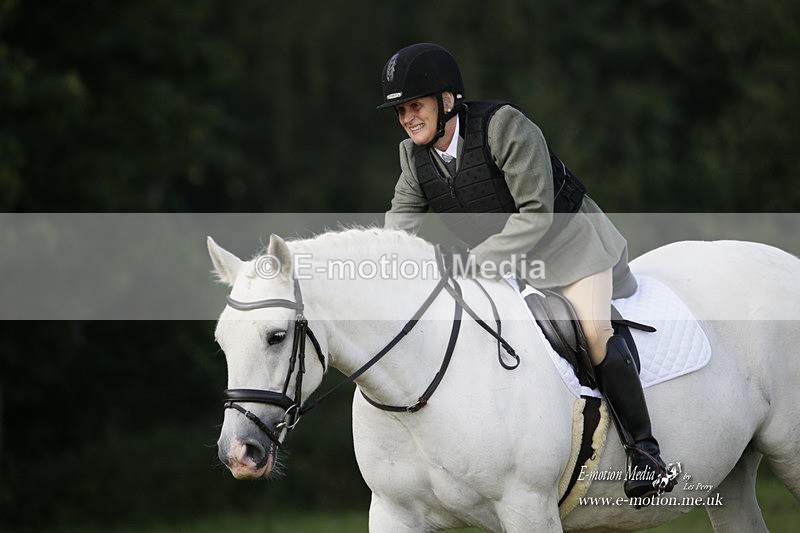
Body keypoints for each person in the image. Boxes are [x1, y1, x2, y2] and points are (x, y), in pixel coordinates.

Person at [378, 42, 675, 500]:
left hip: (573, 247)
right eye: (400, 112)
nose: (408, 119)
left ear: (448, 100)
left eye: (414, 106)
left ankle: (646, 453)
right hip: (511, 264)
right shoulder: (413, 157)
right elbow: (399, 225)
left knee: (593, 332)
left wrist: (471, 264)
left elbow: (537, 213)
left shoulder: (504, 127)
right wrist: (381, 267)